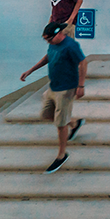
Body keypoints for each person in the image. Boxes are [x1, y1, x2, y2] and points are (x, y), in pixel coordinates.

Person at [19, 20, 88, 173]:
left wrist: (81, 86)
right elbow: (47, 57)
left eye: (48, 39)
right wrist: (30, 70)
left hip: (66, 89)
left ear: (58, 34)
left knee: (60, 124)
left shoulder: (71, 46)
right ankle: (74, 123)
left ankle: (61, 155)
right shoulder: (53, 44)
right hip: (53, 87)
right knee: (46, 114)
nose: (47, 42)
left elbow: (83, 63)